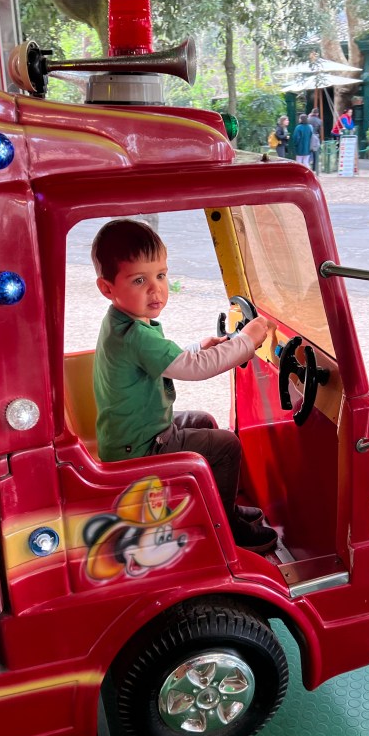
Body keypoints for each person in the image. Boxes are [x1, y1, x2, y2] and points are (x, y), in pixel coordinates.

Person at [91, 218, 278, 554]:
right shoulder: (134, 335)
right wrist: (247, 342)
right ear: (107, 288)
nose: (156, 289)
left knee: (203, 421)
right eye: (139, 280)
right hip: (141, 448)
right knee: (227, 446)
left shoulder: (123, 321)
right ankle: (225, 525)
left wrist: (198, 347)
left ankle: (210, 503)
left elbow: (169, 360)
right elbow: (195, 369)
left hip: (130, 436)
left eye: (161, 275)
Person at [307, 108, 323, 172]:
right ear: (317, 114)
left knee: (308, 152)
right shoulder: (319, 121)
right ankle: (315, 168)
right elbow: (320, 130)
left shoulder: (308, 119)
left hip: (308, 136)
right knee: (315, 152)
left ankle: (307, 165)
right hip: (316, 136)